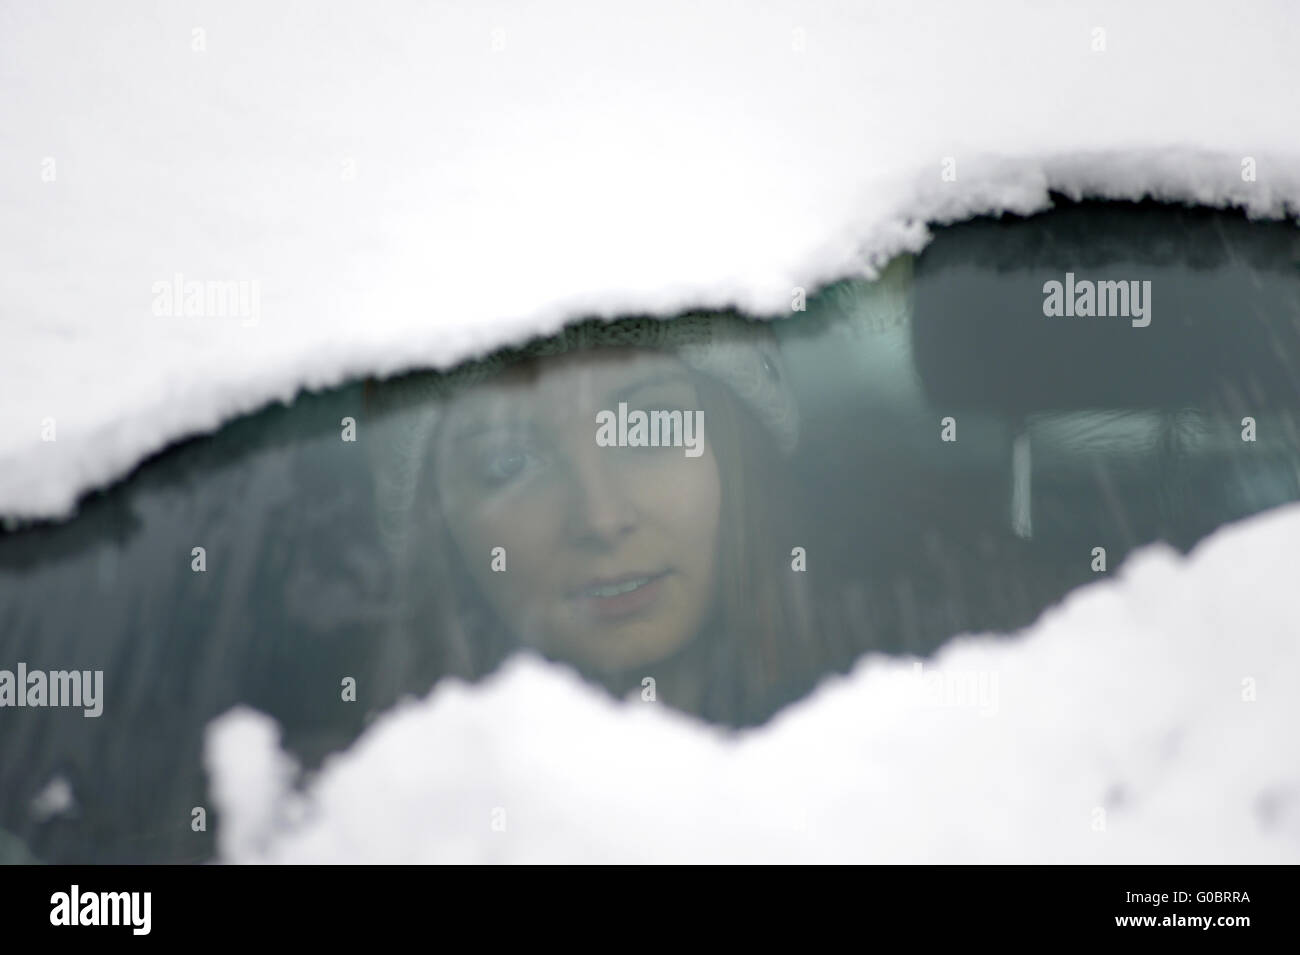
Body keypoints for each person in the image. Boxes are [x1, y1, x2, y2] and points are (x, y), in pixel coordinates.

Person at [364, 314, 825, 725]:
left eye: (650, 428)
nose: (601, 519)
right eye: (508, 464)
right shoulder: (358, 810)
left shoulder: (884, 723)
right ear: (442, 527)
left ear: (737, 448)